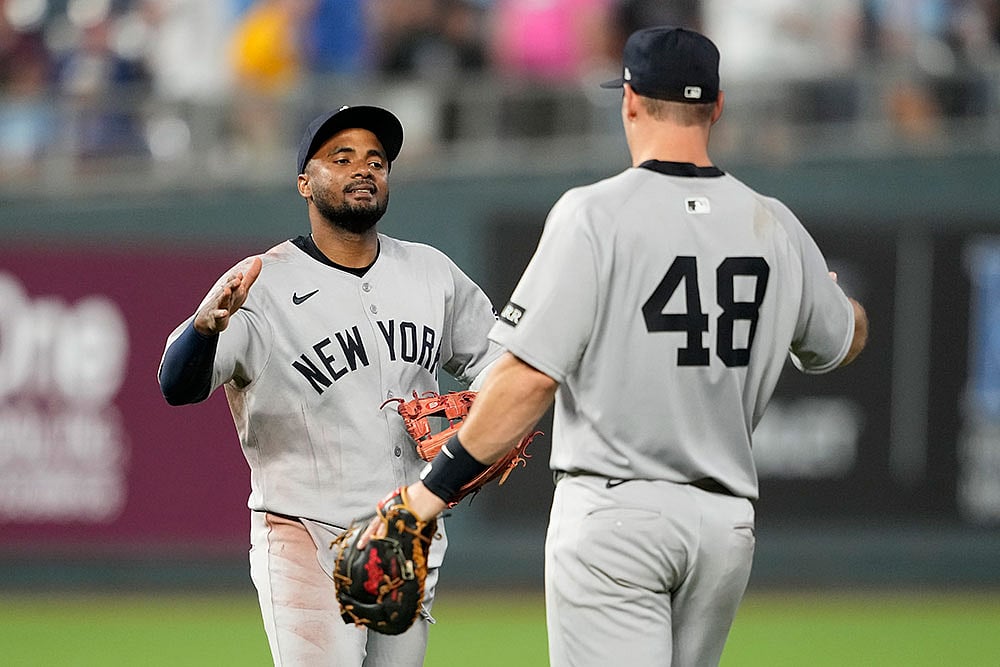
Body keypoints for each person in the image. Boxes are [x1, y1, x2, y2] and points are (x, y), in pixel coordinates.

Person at [364, 26, 869, 666]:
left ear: (629, 100)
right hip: (724, 530)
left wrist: (425, 497)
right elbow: (845, 338)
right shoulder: (774, 225)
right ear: (716, 107)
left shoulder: (595, 214)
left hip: (617, 515)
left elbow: (527, 382)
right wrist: (836, 300)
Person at [157, 104, 501, 665]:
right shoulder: (261, 282)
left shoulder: (431, 272)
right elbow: (178, 384)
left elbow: (500, 362)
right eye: (341, 158)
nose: (364, 168)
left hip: (405, 530)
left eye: (376, 159)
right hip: (304, 535)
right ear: (304, 182)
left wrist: (484, 416)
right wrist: (202, 329)